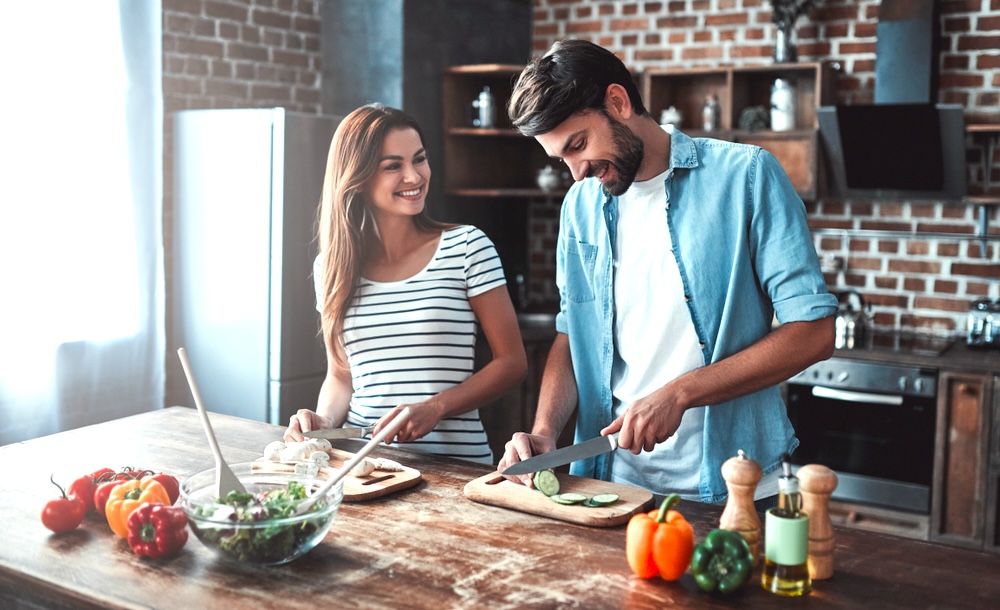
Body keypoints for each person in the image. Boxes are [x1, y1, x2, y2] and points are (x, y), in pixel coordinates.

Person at [497, 40, 837, 506]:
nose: (576, 174)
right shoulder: (581, 206)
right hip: (611, 486)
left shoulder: (747, 177)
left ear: (618, 102)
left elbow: (814, 333)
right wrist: (544, 432)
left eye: (578, 145)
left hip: (733, 487)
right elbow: (571, 334)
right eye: (562, 159)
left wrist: (679, 394)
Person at [284, 103, 527, 464]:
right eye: (393, 166)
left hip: (455, 467)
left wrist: (436, 407)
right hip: (365, 465)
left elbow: (512, 362)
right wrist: (324, 421)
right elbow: (341, 376)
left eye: (419, 159)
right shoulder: (331, 267)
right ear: (359, 177)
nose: (414, 176)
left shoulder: (467, 247)